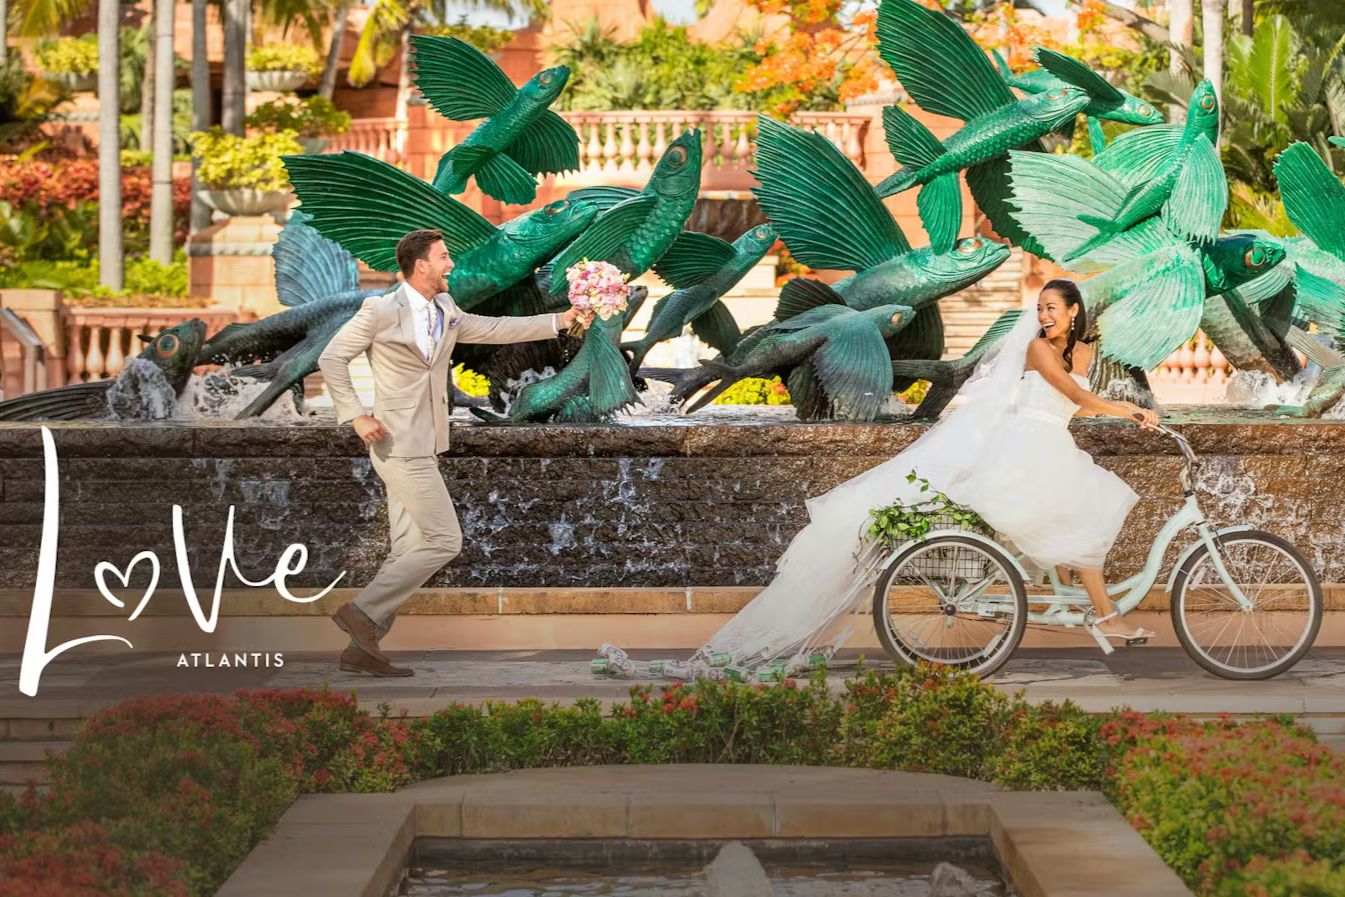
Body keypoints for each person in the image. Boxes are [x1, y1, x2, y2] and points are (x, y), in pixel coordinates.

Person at [599, 278, 1157, 680]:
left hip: (1050, 442)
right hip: (1031, 449)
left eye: (1054, 307)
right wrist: (1127, 411)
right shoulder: (1037, 349)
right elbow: (1078, 398)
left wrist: (1124, 405)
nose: (1046, 315)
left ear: (1076, 311)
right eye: (1040, 307)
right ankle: (1104, 617)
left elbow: (1074, 405)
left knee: (1079, 524)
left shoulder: (1074, 350)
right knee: (1083, 520)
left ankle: (1094, 611)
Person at [319, 229, 583, 676]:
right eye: (443, 258)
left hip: (428, 440)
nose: (451, 265)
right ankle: (361, 614)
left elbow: (496, 329)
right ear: (420, 265)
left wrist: (563, 319)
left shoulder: (446, 308)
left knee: (406, 549)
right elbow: (332, 358)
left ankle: (362, 650)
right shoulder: (379, 310)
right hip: (395, 441)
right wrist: (356, 415)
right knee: (444, 540)